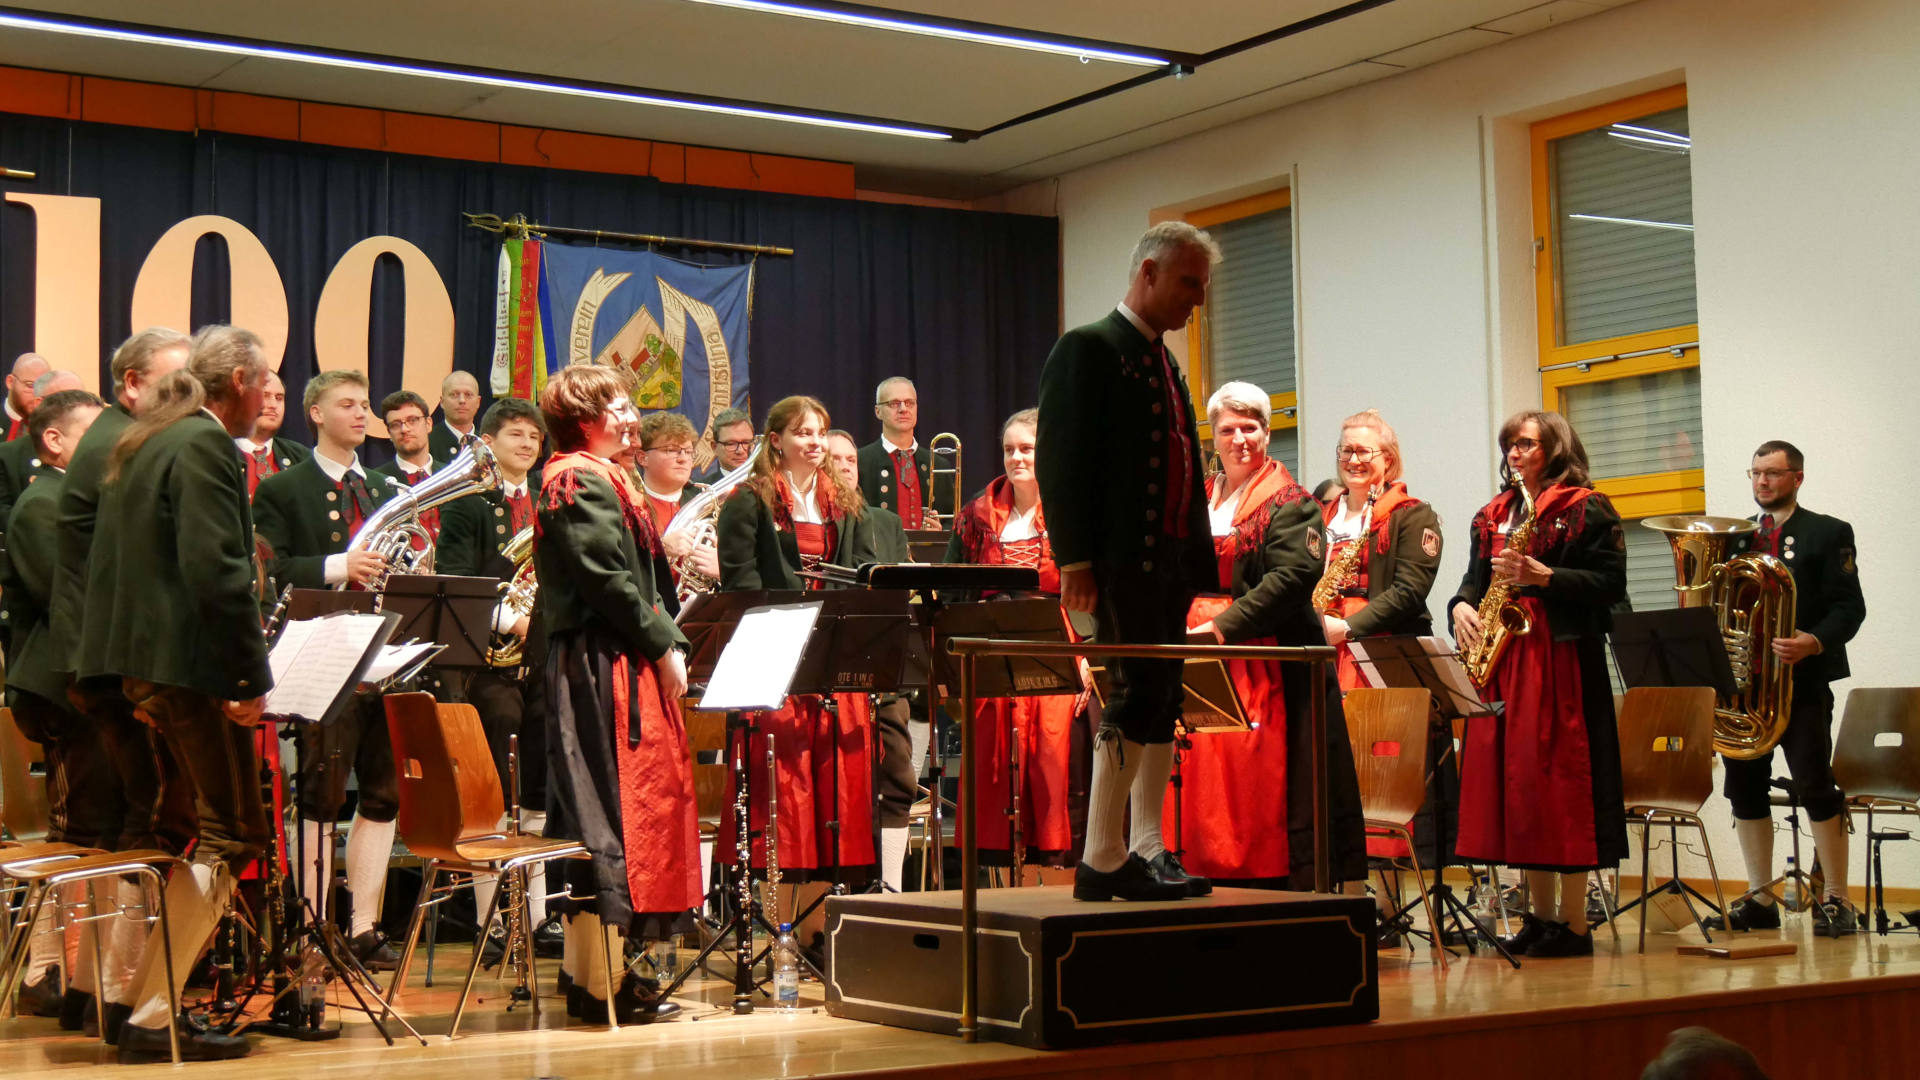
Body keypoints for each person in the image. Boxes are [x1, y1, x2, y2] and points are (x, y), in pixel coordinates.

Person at [77, 324, 273, 1061]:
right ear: (241, 383)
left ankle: (141, 1003)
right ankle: (154, 1017)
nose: (268, 397)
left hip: (148, 662)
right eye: (266, 383)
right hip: (189, 665)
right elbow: (217, 572)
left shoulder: (154, 438)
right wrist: (249, 678)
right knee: (234, 835)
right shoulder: (200, 444)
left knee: (203, 830)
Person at [1036, 221, 1217, 902]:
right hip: (1116, 561)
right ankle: (1102, 855)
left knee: (1163, 702)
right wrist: (1075, 558)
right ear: (1148, 273)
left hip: (1165, 563)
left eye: (1202, 285)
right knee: (1133, 695)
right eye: (1187, 282)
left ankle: (1146, 849)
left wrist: (1193, 566)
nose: (1195, 299)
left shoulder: (1162, 361)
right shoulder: (1088, 347)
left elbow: (1184, 469)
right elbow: (1060, 458)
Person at [534, 363, 695, 1023]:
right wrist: (662, 642)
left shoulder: (602, 476)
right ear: (587, 416)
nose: (633, 417)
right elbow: (606, 580)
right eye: (620, 407)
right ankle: (602, 987)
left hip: (611, 656)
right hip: (604, 665)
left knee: (601, 818)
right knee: (609, 819)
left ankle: (589, 979)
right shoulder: (576, 477)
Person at [48, 326, 191, 1043]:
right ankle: (129, 1005)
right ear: (131, 383)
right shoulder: (123, 446)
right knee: (155, 830)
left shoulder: (113, 438)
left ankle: (91, 997)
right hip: (118, 661)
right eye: (172, 385)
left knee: (121, 832)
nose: (185, 401)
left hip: (96, 657)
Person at [1172, 382, 1367, 892]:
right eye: (1227, 430)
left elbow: (1289, 582)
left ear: (1267, 431)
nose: (1239, 439)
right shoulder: (1197, 499)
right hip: (1195, 651)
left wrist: (1218, 630)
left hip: (1264, 656)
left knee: (1258, 785)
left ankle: (1264, 884)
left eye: (1250, 428)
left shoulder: (1294, 502)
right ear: (1212, 437)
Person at [1448, 410, 1628, 958]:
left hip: (1561, 660)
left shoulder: (1586, 507)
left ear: (1554, 448)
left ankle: (1574, 923)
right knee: (1519, 784)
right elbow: (1472, 582)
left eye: (1527, 443)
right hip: (1505, 659)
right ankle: (1539, 915)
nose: (1515, 453)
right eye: (1509, 444)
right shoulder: (1493, 513)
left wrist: (1544, 576)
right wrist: (1459, 607)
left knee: (1559, 784)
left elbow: (1610, 585)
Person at [251, 369, 405, 969]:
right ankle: (314, 924)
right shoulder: (285, 490)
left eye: (365, 405)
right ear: (315, 413)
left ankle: (363, 926)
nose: (361, 415)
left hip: (382, 655)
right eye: (347, 405)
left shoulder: (384, 487)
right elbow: (268, 569)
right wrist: (340, 565)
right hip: (323, 655)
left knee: (384, 791)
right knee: (319, 791)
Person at [716, 396, 880, 882]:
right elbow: (740, 582)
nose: (813, 442)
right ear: (776, 441)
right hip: (774, 658)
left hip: (831, 656)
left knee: (835, 779)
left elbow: (861, 576)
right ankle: (779, 903)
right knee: (783, 781)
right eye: (802, 433)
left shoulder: (847, 503)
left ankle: (820, 921)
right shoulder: (750, 499)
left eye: (818, 432)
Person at [1706, 440, 1866, 937]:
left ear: (1797, 477)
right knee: (1743, 789)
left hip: (1802, 683)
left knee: (1815, 784)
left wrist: (1813, 641)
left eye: (1772, 474)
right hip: (1743, 687)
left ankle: (1836, 897)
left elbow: (1850, 607)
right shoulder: (1734, 540)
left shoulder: (1827, 532)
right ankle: (1759, 898)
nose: (1761, 483)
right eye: (1754, 473)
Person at [436, 396, 557, 959]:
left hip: (541, 656)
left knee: (536, 780)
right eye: (515, 434)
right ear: (489, 441)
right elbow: (460, 579)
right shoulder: (468, 503)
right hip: (490, 660)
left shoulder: (551, 500)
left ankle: (534, 917)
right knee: (492, 791)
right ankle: (491, 920)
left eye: (534, 435)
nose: (528, 444)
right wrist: (516, 618)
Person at [1315, 411, 1450, 906]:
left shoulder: (1414, 515)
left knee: (1379, 770)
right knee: (1331, 773)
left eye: (1363, 451)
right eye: (1345, 450)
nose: (1352, 459)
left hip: (1374, 654)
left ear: (1388, 461)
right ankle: (1343, 894)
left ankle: (1387, 905)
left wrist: (1348, 626)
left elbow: (1412, 589)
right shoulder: (1322, 514)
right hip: (1323, 653)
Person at [943, 408, 1086, 873]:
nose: (1017, 458)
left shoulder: (1073, 509)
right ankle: (1001, 889)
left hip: (1055, 645)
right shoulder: (978, 515)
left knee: (1050, 761)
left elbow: (1097, 591)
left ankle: (1052, 882)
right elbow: (951, 590)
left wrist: (1088, 657)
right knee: (993, 767)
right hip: (992, 646)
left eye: (1027, 448)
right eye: (1009, 450)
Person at [1, 388, 106, 1020]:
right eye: (91, 432)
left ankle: (66, 972)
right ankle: (55, 972)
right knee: (77, 830)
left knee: (81, 827)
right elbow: (62, 597)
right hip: (59, 685)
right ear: (54, 441)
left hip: (71, 683)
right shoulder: (44, 504)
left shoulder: (73, 500)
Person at [826, 428, 922, 890]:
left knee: (898, 775)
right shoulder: (819, 522)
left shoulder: (885, 522)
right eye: (834, 459)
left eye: (850, 458)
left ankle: (892, 890)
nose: (845, 465)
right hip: (830, 674)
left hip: (883, 669)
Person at [857, 376, 948, 529]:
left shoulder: (938, 464)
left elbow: (952, 520)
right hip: (879, 552)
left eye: (909, 403)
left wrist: (940, 532)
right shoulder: (860, 461)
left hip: (929, 552)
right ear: (878, 411)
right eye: (894, 403)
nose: (903, 409)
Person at [0, 369, 83, 530]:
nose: (78, 409)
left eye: (83, 399)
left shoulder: (97, 451)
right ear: (40, 404)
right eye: (69, 400)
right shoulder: (7, 455)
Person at [372, 389, 445, 546]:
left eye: (412, 420)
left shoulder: (451, 474)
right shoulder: (377, 482)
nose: (404, 429)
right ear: (389, 433)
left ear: (428, 424)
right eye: (396, 424)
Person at [235, 370, 311, 497]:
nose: (273, 405)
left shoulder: (301, 457)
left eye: (279, 398)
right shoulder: (219, 453)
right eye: (265, 395)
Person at [693, 406, 755, 486]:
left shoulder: (771, 486)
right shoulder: (701, 491)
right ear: (714, 447)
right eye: (731, 443)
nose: (740, 451)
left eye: (746, 442)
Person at [428, 370, 483, 459]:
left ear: (478, 402)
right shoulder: (427, 443)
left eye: (468, 395)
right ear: (442, 402)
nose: (462, 400)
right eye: (454, 395)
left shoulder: (487, 444)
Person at [5, 350, 50, 440]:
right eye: (30, 385)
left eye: (43, 387)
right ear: (10, 382)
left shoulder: (52, 427)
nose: (38, 394)